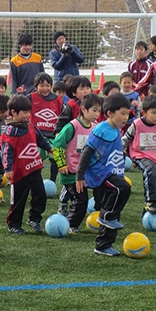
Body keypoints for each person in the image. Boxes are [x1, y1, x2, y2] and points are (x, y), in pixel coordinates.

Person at [76, 94, 132, 256]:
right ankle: (106, 216)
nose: (125, 117)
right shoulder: (101, 129)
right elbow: (87, 152)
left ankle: (103, 245)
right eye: (122, 113)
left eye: (127, 113)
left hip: (112, 173)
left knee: (114, 209)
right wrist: (80, 176)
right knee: (123, 189)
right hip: (100, 174)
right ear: (110, 114)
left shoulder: (115, 129)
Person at [1, 94, 53, 234]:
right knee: (18, 200)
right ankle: (14, 224)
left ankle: (34, 218)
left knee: (40, 195)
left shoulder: (31, 126)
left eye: (29, 112)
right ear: (13, 112)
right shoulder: (10, 132)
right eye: (24, 112)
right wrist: (8, 168)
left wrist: (49, 148)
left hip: (35, 168)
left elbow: (40, 139)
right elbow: (6, 151)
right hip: (19, 173)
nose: (27, 115)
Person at [52, 93, 103, 233]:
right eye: (94, 110)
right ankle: (70, 224)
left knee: (101, 195)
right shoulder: (71, 127)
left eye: (99, 111)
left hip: (89, 172)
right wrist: (62, 164)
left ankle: (100, 220)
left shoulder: (96, 127)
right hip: (71, 172)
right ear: (84, 109)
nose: (97, 114)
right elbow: (57, 145)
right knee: (81, 200)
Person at [29, 72, 63, 182]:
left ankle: (52, 181)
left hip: (52, 135)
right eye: (42, 85)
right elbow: (21, 106)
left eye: (47, 85)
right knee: (37, 160)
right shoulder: (31, 97)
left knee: (55, 158)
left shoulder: (57, 100)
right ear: (35, 87)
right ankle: (36, 181)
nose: (45, 88)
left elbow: (63, 115)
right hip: (36, 135)